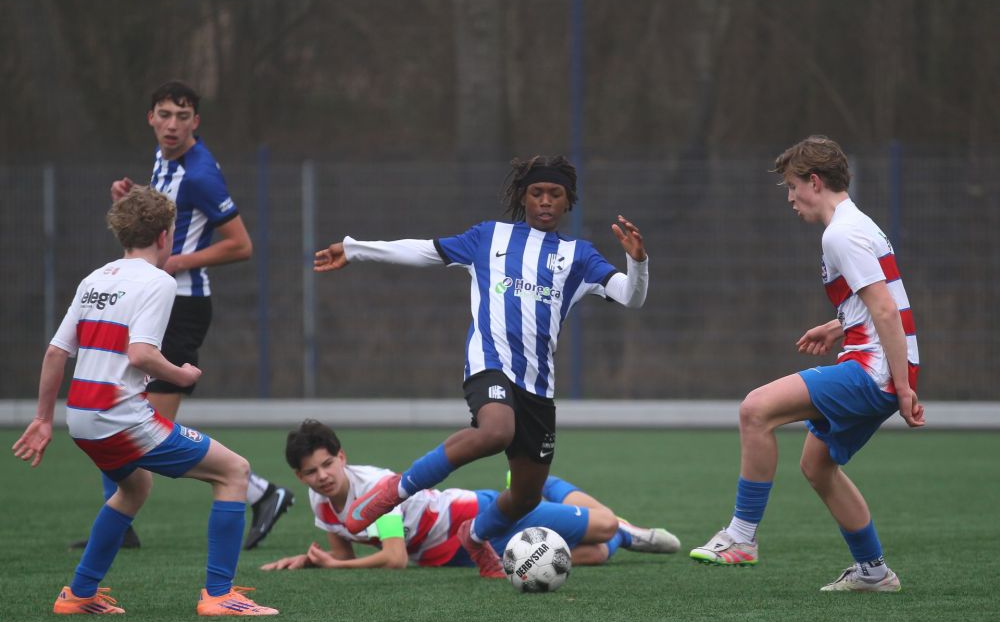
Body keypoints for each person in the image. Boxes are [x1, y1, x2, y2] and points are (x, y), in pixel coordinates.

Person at [313, 155, 649, 577]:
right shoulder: (488, 237)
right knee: (495, 430)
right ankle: (394, 491)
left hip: (538, 387)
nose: (545, 201)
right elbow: (425, 250)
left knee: (526, 496)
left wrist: (638, 262)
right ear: (523, 198)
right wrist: (355, 249)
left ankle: (474, 536)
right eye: (537, 193)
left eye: (555, 194)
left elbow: (631, 297)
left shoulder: (578, 256)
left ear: (568, 202)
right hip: (488, 364)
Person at [12, 186, 277, 615]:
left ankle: (79, 594)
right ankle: (220, 596)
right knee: (234, 471)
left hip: (81, 418)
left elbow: (56, 352)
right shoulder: (159, 282)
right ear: (165, 236)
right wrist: (181, 373)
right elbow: (141, 354)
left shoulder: (95, 278)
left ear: (122, 234)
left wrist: (43, 418)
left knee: (134, 488)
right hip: (120, 418)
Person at [689, 136, 924, 592]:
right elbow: (879, 301)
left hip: (873, 371)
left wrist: (902, 387)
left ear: (815, 182)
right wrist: (838, 326)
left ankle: (741, 537)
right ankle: (873, 572)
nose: (790, 198)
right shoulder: (858, 224)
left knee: (755, 410)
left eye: (792, 186)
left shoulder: (841, 233)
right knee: (818, 466)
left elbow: (885, 310)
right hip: (883, 367)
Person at [89, 80, 291, 551]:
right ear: (151, 118)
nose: (172, 125)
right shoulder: (163, 160)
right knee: (115, 406)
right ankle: (121, 528)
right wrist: (129, 199)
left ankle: (261, 492)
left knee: (143, 428)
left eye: (182, 117)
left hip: (180, 306)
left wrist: (177, 261)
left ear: (196, 121)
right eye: (164, 115)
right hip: (150, 299)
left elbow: (241, 245)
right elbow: (165, 219)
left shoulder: (199, 174)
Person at [260, 420, 680, 571]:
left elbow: (394, 558)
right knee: (588, 555)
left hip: (478, 518)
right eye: (311, 472)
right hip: (450, 555)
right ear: (299, 476)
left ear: (342, 457)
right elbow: (344, 555)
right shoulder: (320, 502)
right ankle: (606, 532)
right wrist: (314, 561)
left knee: (603, 525)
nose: (322, 477)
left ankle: (617, 526)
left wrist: (334, 566)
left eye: (327, 464)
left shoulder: (373, 490)